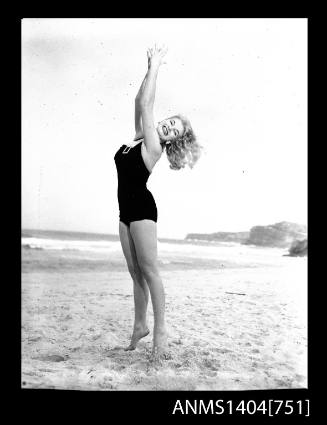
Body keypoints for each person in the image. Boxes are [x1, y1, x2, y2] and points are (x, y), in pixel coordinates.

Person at [114, 45, 202, 362]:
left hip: (141, 209)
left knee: (150, 271)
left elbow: (146, 106)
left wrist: (155, 67)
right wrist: (147, 71)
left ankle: (160, 330)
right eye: (170, 122)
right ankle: (140, 326)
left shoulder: (153, 145)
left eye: (173, 130)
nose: (167, 126)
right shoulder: (138, 137)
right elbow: (140, 103)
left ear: (170, 140)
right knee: (135, 271)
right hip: (126, 211)